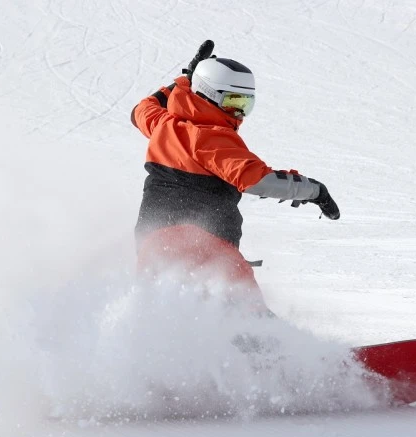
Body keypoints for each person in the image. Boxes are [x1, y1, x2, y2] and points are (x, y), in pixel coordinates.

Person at [130, 41, 340, 314]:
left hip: (153, 244)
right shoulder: (213, 137)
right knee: (248, 317)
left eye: (245, 104)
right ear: (209, 95)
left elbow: (141, 110)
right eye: (232, 102)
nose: (239, 113)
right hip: (202, 246)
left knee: (173, 313)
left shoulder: (165, 125)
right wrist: (316, 191)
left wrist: (185, 81)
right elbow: (259, 181)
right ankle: (265, 340)